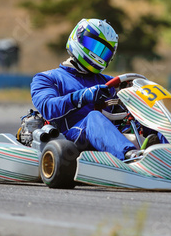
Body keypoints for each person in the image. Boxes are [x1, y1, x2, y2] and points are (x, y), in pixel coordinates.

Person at [30, 18, 149, 160]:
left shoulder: (109, 82)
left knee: (148, 116)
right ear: (78, 38)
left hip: (109, 136)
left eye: (103, 52)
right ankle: (131, 156)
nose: (97, 54)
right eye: (93, 46)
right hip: (69, 138)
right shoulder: (48, 78)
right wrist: (84, 96)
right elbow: (48, 108)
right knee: (94, 117)